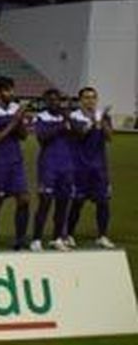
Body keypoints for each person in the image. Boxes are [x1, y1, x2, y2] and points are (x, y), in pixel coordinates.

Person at [0, 75, 32, 251]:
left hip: (15, 162)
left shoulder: (15, 108)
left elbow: (24, 136)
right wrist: (15, 121)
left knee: (24, 199)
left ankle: (20, 239)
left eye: (12, 89)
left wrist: (21, 122)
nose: (11, 93)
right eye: (7, 90)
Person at [67, 86, 115, 249]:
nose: (90, 101)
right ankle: (69, 234)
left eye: (93, 97)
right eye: (86, 97)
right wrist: (93, 122)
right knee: (77, 201)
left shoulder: (102, 115)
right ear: (80, 100)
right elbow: (79, 135)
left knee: (103, 202)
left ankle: (102, 235)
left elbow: (109, 137)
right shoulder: (74, 116)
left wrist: (102, 123)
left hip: (99, 168)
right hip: (79, 167)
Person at [29, 89, 76, 252]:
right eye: (50, 100)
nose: (54, 102)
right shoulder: (41, 117)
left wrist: (68, 116)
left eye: (57, 100)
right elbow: (42, 138)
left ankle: (57, 238)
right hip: (48, 166)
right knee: (45, 202)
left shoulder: (66, 117)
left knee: (63, 203)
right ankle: (36, 239)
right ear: (45, 102)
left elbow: (79, 134)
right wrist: (61, 125)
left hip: (67, 166)